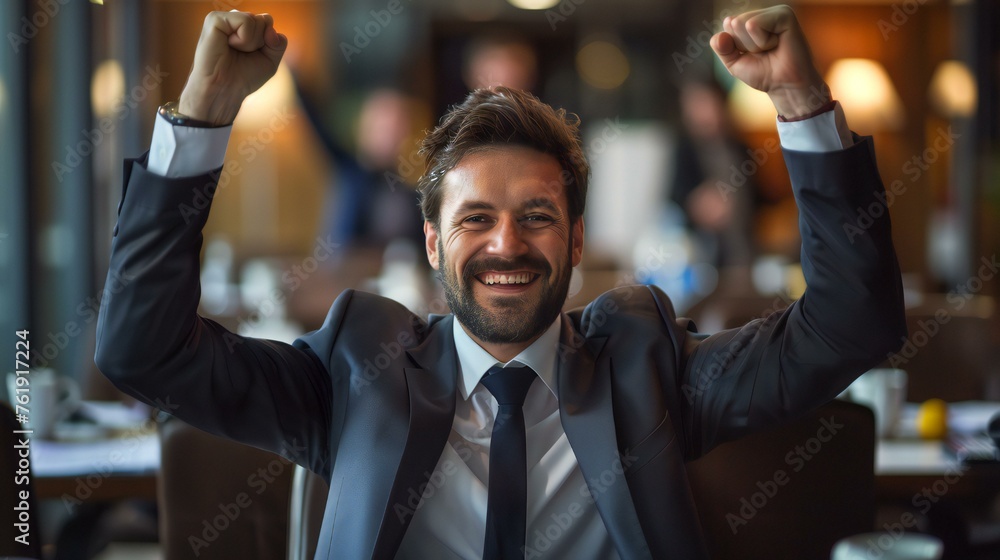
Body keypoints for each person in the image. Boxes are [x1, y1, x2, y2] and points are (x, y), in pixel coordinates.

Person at [96, 6, 905, 559]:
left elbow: (849, 325)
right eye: (475, 218)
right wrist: (202, 114)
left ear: (579, 237)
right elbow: (143, 351)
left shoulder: (647, 364)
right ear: (431, 241)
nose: (506, 243)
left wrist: (800, 102)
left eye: (537, 216)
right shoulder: (354, 369)